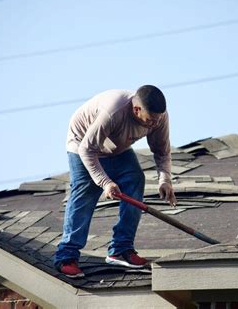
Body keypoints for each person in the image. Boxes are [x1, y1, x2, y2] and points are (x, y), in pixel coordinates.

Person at [54, 85, 177, 278]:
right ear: (137, 110)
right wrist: (105, 182)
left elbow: (162, 151)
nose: (154, 124)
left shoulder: (159, 117)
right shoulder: (113, 112)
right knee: (85, 192)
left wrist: (165, 180)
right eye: (150, 120)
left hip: (116, 148)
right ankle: (66, 256)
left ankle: (121, 250)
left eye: (157, 119)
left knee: (135, 179)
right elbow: (87, 150)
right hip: (82, 145)